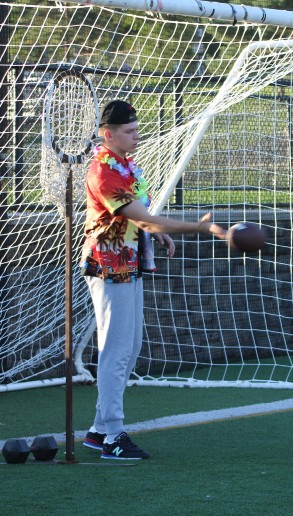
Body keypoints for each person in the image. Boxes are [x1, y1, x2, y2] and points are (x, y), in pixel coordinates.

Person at [80, 100, 228, 460]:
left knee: (130, 347)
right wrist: (200, 226)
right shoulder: (104, 173)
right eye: (129, 131)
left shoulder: (127, 166)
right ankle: (113, 435)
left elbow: (142, 217)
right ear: (108, 134)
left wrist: (157, 232)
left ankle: (100, 430)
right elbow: (143, 220)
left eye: (136, 129)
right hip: (109, 265)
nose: (137, 136)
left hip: (129, 261)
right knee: (115, 351)